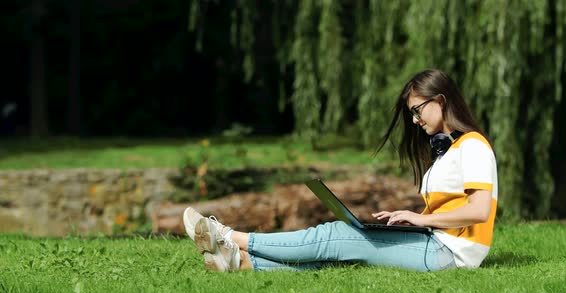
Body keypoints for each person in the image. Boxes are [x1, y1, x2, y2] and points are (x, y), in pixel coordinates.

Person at [183, 69, 498, 272]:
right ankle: (240, 263)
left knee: (335, 235)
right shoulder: (448, 151)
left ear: (440, 101)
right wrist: (412, 220)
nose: (415, 121)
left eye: (417, 111)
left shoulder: (473, 145)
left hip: (449, 254)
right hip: (436, 244)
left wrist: (421, 218)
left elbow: (479, 210)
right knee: (341, 254)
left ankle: (230, 237)